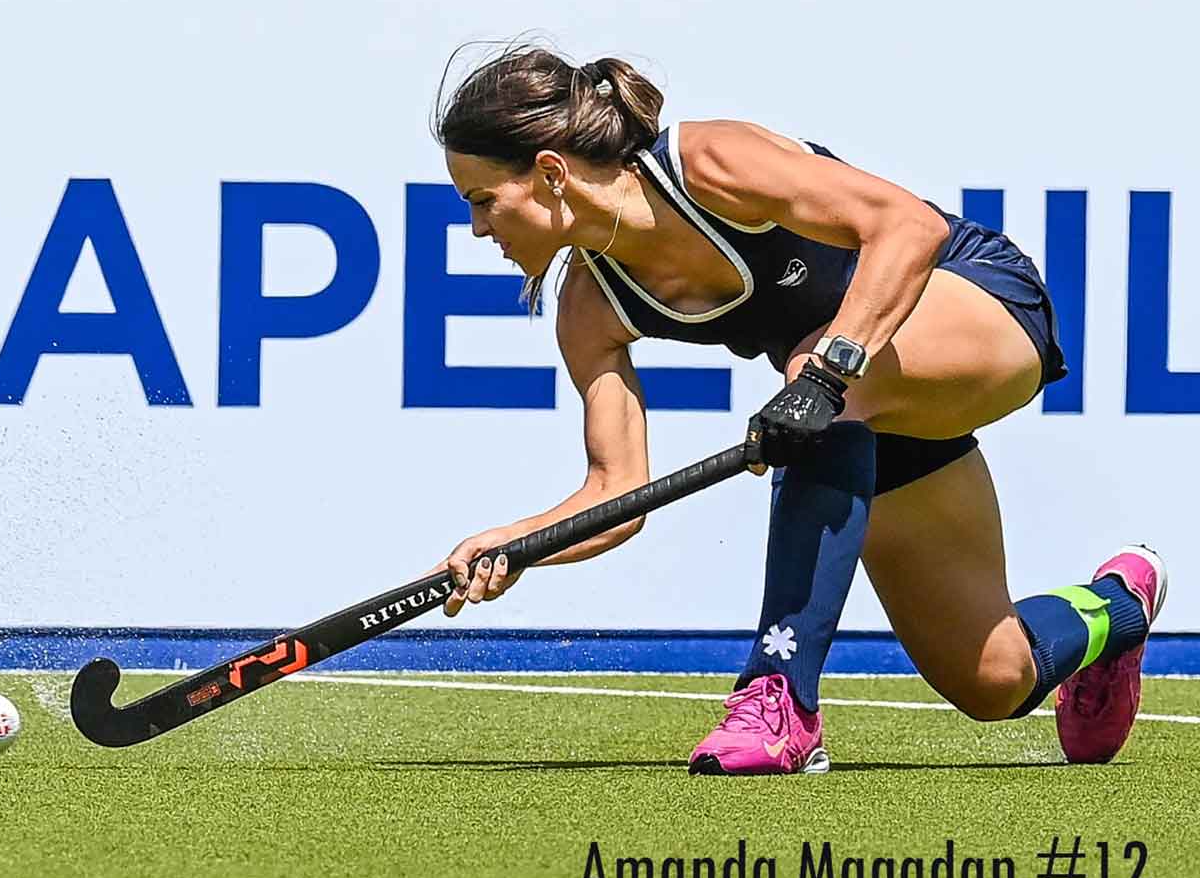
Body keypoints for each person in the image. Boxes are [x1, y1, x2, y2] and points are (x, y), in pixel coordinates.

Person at [431, 45, 1167, 776]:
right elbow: (616, 495)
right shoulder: (590, 307)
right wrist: (516, 544)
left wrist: (828, 375)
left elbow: (910, 227)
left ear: (552, 173)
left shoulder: (707, 160)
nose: (478, 230)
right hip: (852, 410)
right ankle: (1117, 608)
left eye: (482, 201)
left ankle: (779, 698)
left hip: (978, 308)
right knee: (994, 681)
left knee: (809, 367)